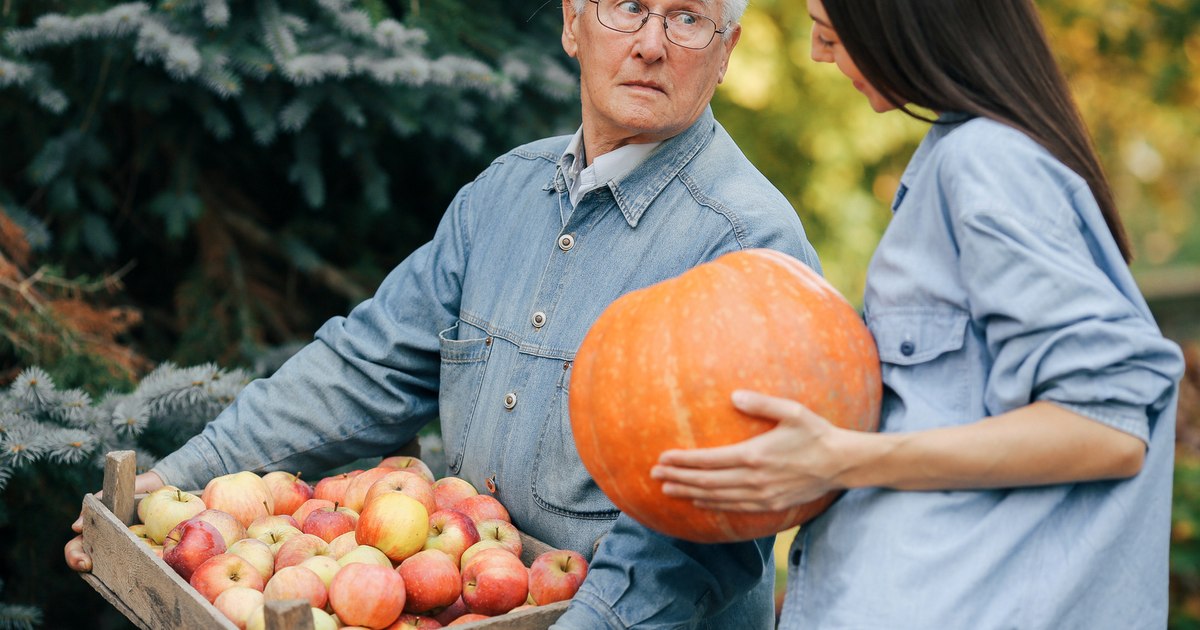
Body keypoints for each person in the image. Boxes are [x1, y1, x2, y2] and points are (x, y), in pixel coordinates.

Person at [65, 0, 821, 627]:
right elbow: (362, 369)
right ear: (572, 22)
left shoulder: (744, 244)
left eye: (688, 18)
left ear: (726, 52)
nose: (651, 44)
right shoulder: (501, 196)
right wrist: (170, 489)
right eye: (628, 7)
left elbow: (711, 532)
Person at [651, 1, 1186, 628]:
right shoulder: (957, 155)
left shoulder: (987, 162)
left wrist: (838, 458)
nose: (819, 55)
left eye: (829, 33)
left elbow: (1106, 430)